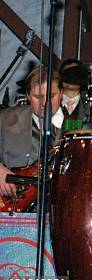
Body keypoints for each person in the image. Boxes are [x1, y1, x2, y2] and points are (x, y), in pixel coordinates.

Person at [0, 67, 64, 197]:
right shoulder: (6, 118)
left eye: (52, 96)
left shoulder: (78, 125)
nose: (45, 103)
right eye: (38, 96)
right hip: (13, 206)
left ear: (62, 93)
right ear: (28, 95)